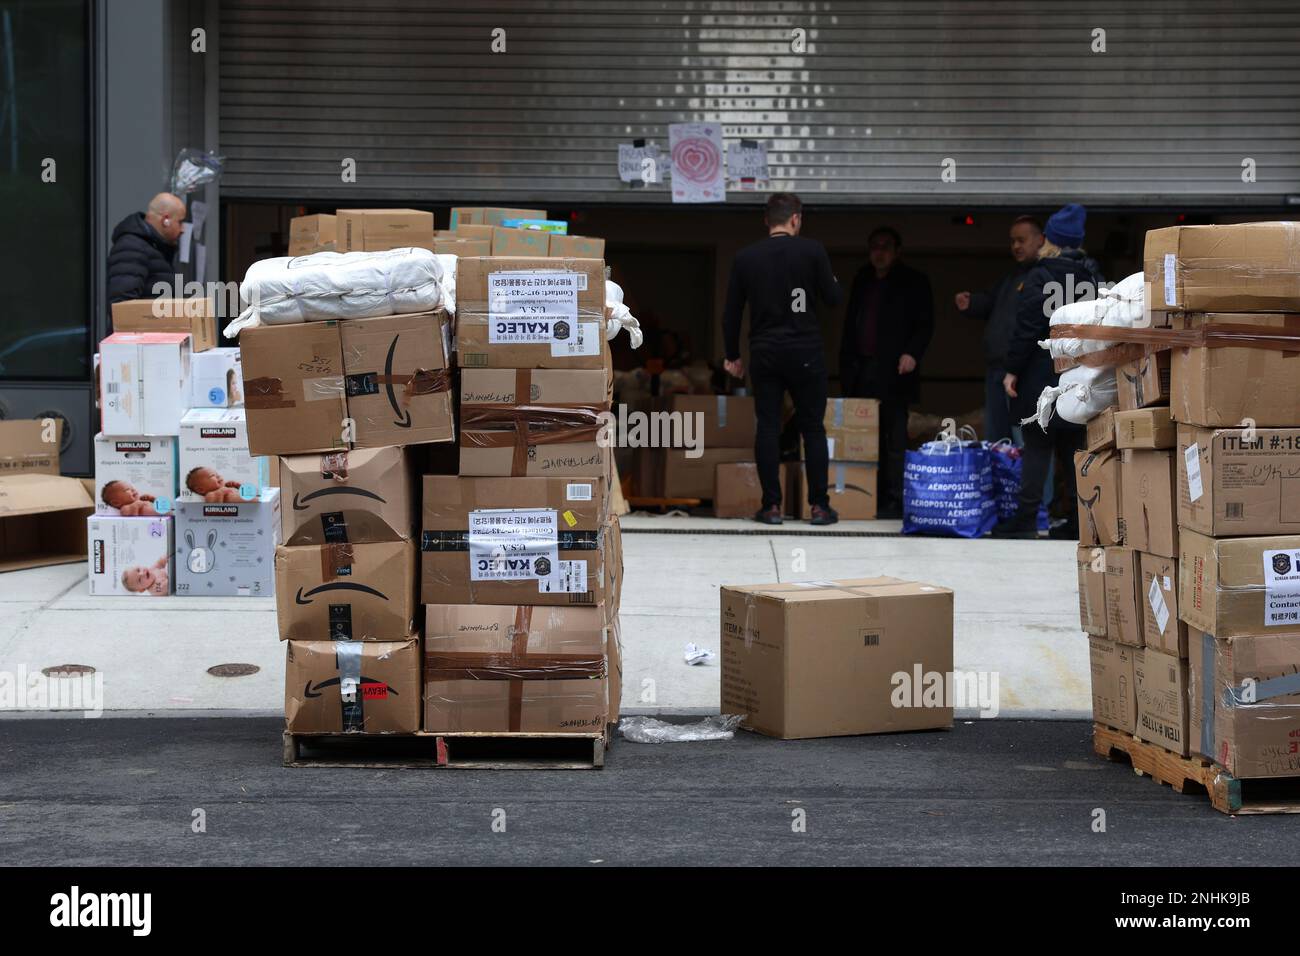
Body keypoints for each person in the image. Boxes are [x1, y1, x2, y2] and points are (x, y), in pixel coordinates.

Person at [723, 193, 842, 525]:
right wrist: (832, 281)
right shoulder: (813, 251)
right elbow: (833, 299)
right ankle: (819, 507)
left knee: (769, 427)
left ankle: (772, 507)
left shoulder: (746, 257)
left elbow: (731, 311)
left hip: (765, 353)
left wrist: (732, 354)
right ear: (796, 219)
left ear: (767, 220)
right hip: (806, 352)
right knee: (813, 428)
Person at [995, 203, 1105, 539]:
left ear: (1050, 240)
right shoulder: (1090, 276)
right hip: (1078, 377)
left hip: (1041, 375)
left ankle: (1027, 518)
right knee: (1074, 448)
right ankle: (1077, 521)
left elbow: (1028, 329)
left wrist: (1011, 370)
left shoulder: (1040, 275)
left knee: (1038, 445)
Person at [839, 227, 934, 519]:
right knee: (865, 439)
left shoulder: (913, 281)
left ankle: (895, 500)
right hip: (862, 369)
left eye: (885, 247)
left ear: (897, 251)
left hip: (895, 371)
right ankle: (867, 497)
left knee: (894, 440)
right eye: (874, 247)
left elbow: (924, 324)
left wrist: (912, 354)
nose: (879, 252)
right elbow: (850, 325)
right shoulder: (862, 278)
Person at [955, 215, 1045, 443]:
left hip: (1024, 372)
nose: (1016, 246)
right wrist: (972, 303)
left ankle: (1028, 481)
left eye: (1022, 240)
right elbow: (991, 300)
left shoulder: (1044, 277)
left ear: (1040, 240)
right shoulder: (1013, 276)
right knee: (998, 441)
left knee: (1025, 440)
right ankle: (1005, 480)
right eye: (1013, 241)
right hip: (997, 368)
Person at [106, 192, 187, 318]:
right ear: (165, 220)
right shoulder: (132, 247)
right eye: (180, 222)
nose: (183, 229)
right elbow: (122, 307)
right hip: (142, 336)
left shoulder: (155, 248)